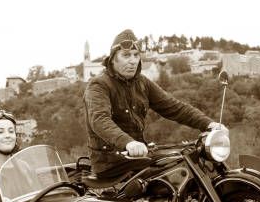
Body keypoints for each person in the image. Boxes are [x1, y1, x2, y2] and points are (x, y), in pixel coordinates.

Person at [84, 29, 226, 178]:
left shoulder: (141, 83)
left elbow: (174, 107)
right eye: (126, 55)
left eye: (136, 55)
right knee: (177, 173)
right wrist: (128, 143)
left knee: (193, 161)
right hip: (111, 162)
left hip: (138, 157)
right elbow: (99, 120)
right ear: (113, 59)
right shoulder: (99, 85)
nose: (132, 60)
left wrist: (209, 124)